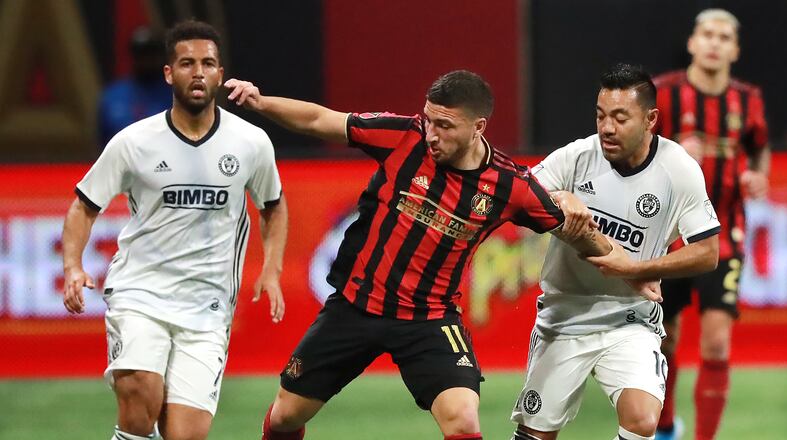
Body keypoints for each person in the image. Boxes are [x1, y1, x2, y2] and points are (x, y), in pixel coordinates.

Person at [224, 70, 657, 440]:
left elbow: (576, 232)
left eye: (445, 126)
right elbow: (322, 119)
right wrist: (261, 102)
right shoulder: (402, 137)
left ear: (478, 127)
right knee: (284, 416)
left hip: (430, 320)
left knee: (463, 420)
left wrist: (632, 270)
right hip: (355, 307)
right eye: (429, 120)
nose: (431, 134)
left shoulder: (509, 187)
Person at [62, 20, 288, 440]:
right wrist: (73, 265)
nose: (197, 72)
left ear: (221, 74)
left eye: (207, 63)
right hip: (140, 292)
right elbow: (83, 206)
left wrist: (272, 269)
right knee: (138, 397)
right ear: (169, 73)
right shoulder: (134, 141)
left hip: (207, 306)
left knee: (185, 435)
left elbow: (273, 207)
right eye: (186, 63)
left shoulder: (251, 143)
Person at [509, 63, 721, 440]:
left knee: (642, 419)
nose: (606, 127)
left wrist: (639, 267)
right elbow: (516, 197)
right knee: (536, 434)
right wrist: (559, 196)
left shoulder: (678, 169)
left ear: (650, 118)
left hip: (630, 318)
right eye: (600, 115)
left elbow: (707, 252)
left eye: (620, 118)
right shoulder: (576, 157)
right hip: (565, 315)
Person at [652, 9, 770, 440]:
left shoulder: (748, 99)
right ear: (692, 42)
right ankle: (665, 428)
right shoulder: (662, 94)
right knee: (664, 337)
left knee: (717, 343)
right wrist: (671, 152)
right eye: (707, 34)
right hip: (668, 235)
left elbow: (759, 148)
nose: (715, 43)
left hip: (724, 233)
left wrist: (756, 175)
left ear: (735, 49)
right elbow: (631, 155)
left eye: (724, 37)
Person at [98, 26, 172, 147]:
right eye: (142, 53)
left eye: (152, 53)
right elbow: (102, 141)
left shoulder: (176, 95)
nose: (147, 59)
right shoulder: (113, 96)